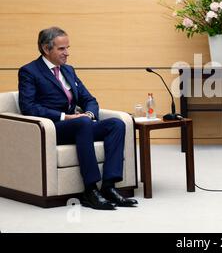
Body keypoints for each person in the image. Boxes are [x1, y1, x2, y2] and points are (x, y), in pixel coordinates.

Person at [18, 27, 138, 210]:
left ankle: (108, 186)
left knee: (116, 124)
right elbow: (29, 107)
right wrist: (66, 117)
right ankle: (90, 191)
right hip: (53, 128)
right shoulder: (29, 71)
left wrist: (89, 114)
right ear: (45, 49)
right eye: (61, 49)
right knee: (81, 123)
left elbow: (89, 99)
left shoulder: (68, 70)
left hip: (80, 126)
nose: (67, 53)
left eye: (67, 48)